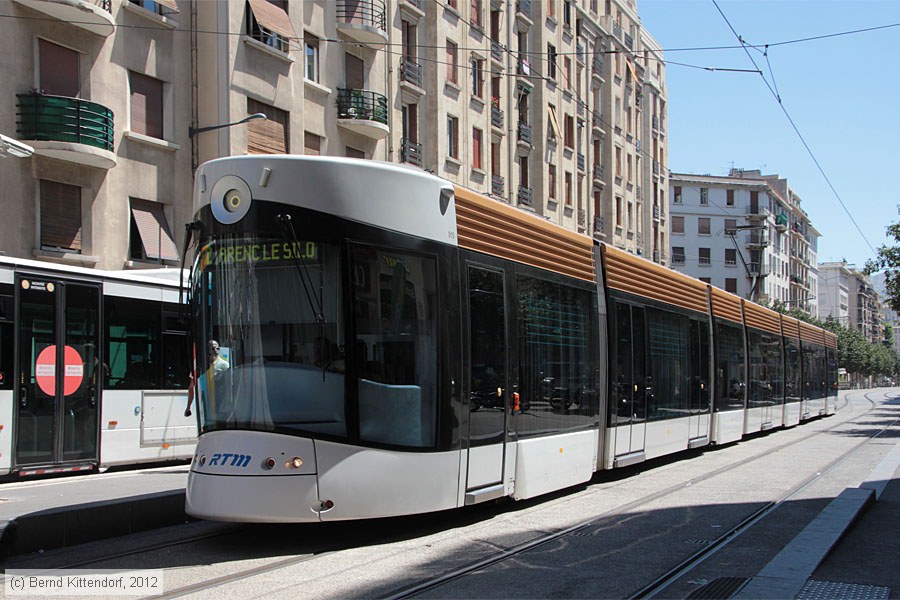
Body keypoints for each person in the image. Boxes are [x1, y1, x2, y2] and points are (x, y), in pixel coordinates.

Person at [185, 340, 229, 417]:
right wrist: (188, 407)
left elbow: (228, 388)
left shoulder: (224, 365)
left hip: (218, 407)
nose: (216, 351)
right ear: (207, 350)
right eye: (213, 349)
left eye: (217, 348)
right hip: (203, 406)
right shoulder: (199, 366)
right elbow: (191, 388)